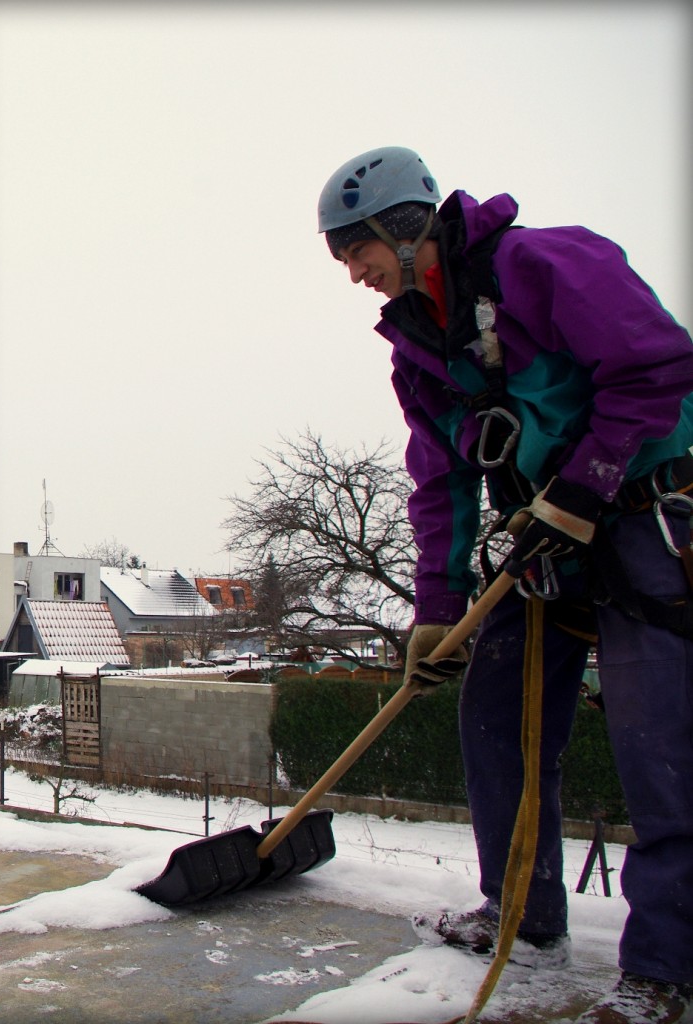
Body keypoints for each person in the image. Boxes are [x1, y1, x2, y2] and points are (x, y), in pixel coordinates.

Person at [317, 146, 693, 1024]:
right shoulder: (419, 347)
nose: (354, 277)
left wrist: (587, 482)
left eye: (356, 253)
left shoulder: (548, 263)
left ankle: (665, 971)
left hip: (640, 517)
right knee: (494, 716)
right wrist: (435, 612)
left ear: (404, 231)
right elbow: (440, 481)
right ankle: (521, 916)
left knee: (658, 750)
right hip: (543, 543)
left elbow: (657, 366)